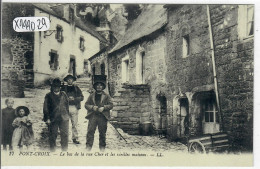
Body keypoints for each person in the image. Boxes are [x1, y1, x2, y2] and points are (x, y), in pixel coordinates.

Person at [85, 75, 113, 151]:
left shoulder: (106, 96)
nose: (99, 87)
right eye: (97, 85)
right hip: (93, 116)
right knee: (90, 132)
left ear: (103, 87)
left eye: (101, 85)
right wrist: (92, 107)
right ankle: (88, 147)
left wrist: (104, 108)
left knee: (102, 133)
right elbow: (86, 105)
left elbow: (111, 105)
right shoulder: (91, 96)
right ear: (95, 86)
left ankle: (102, 149)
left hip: (102, 117)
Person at [43, 78, 70, 151]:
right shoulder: (48, 95)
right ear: (52, 87)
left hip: (63, 118)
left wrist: (67, 115)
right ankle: (52, 150)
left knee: (65, 135)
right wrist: (47, 118)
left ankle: (64, 150)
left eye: (58, 87)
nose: (56, 88)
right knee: (53, 135)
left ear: (60, 87)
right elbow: (46, 108)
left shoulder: (63, 94)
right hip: (53, 118)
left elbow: (67, 105)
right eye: (54, 87)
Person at [62, 74, 84, 144]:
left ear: (73, 80)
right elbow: (59, 97)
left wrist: (74, 99)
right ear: (66, 81)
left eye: (71, 79)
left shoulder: (76, 88)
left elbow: (82, 97)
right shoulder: (63, 88)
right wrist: (66, 99)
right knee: (65, 123)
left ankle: (75, 138)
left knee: (74, 124)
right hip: (65, 108)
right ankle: (64, 139)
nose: (70, 81)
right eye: (68, 79)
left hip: (74, 107)